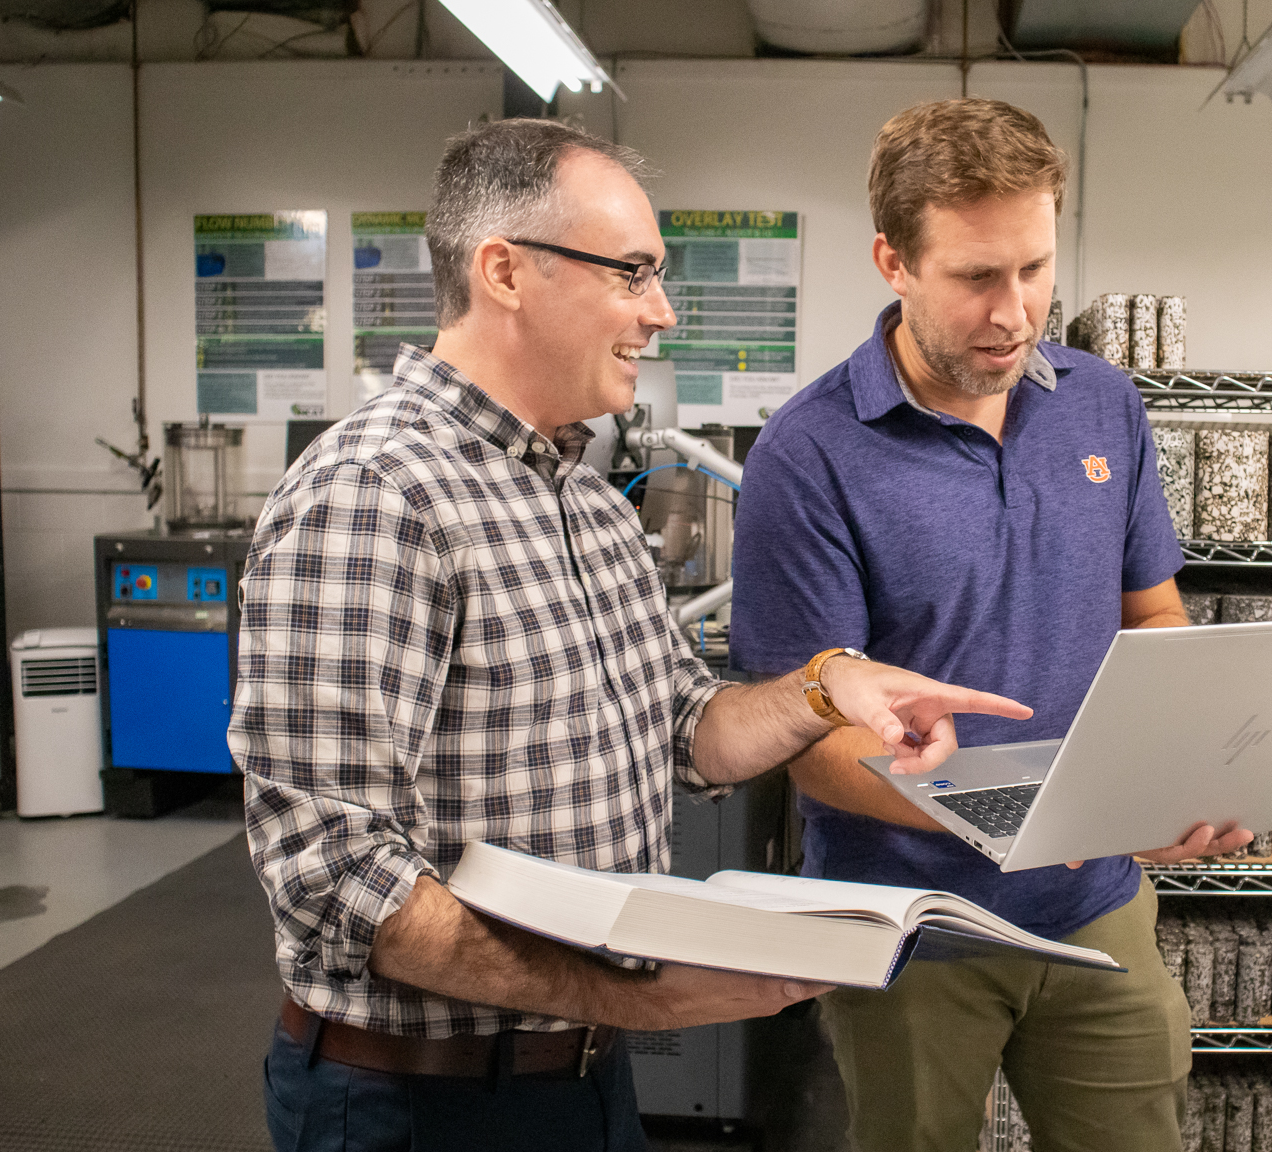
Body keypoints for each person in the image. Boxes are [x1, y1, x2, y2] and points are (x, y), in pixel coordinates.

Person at [233, 117, 1032, 1152]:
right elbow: (333, 873)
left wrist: (827, 687)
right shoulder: (375, 494)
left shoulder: (586, 502)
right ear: (505, 271)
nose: (658, 312)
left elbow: (682, 729)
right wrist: (634, 999)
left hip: (584, 1079)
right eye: (631, 274)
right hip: (419, 1100)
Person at [729, 98, 1252, 1152]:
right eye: (975, 277)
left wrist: (1180, 760)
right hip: (909, 926)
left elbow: (1148, 611)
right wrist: (1042, 810)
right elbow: (812, 743)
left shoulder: (1102, 406)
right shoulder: (810, 453)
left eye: (1033, 269)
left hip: (1094, 904)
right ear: (893, 260)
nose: (1012, 313)